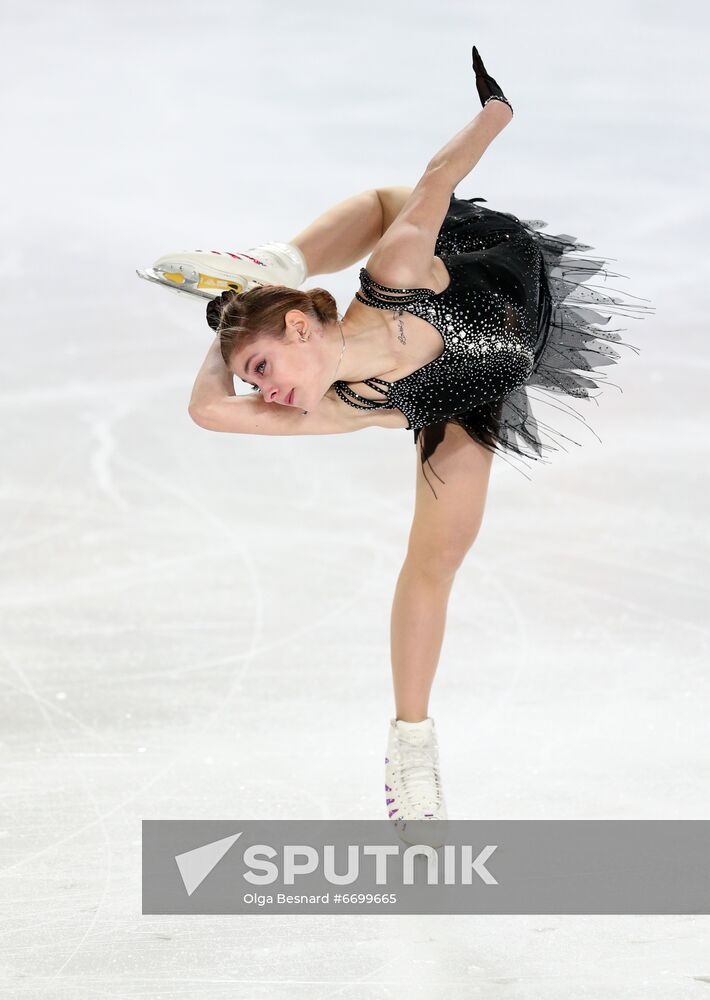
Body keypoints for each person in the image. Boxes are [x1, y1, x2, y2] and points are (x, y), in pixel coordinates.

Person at [187, 47, 652, 838]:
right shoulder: (333, 407)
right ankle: (412, 747)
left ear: (302, 324)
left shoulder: (397, 273)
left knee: (391, 204)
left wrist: (496, 111)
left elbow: (438, 176)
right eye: (254, 379)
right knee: (435, 562)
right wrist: (228, 338)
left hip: (488, 267)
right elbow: (208, 412)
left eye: (262, 366)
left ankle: (284, 260)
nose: (264, 391)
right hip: (467, 395)